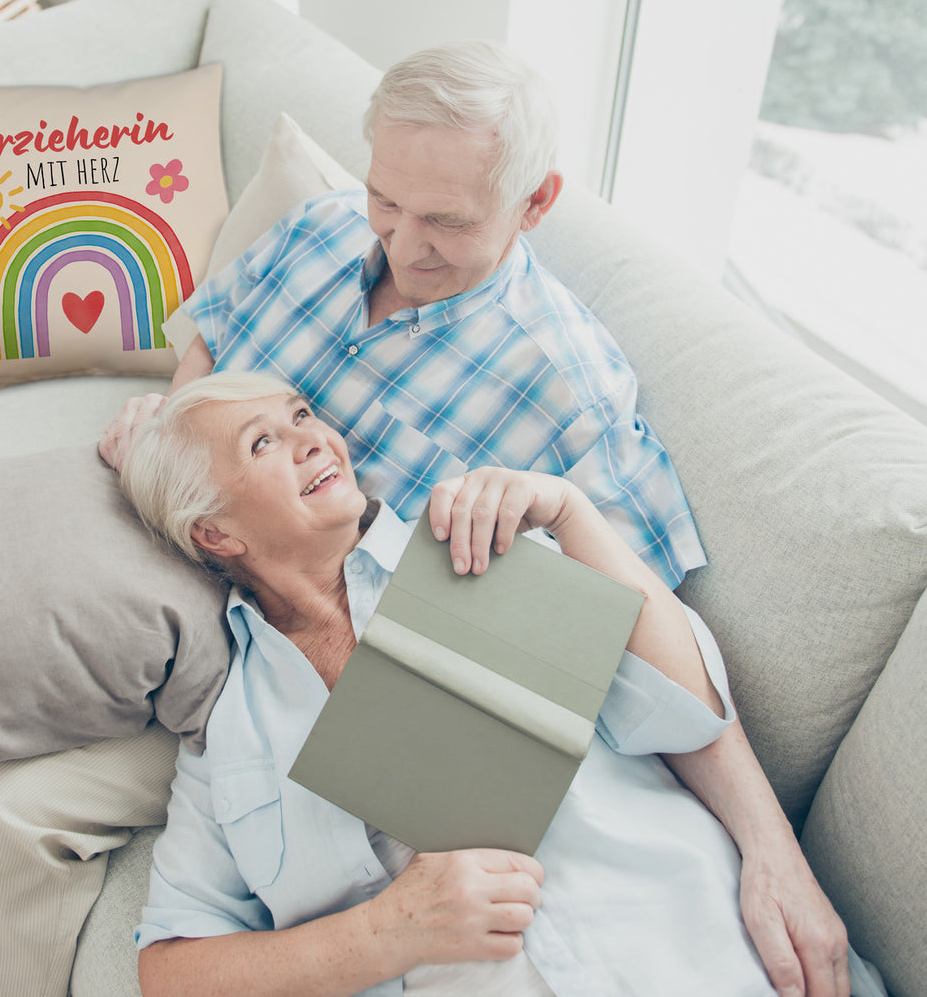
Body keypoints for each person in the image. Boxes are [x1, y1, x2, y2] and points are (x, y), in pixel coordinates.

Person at [102, 42, 849, 996]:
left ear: (535, 203)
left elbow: (657, 669)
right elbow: (213, 332)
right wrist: (175, 434)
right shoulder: (320, 233)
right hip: (206, 617)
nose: (402, 245)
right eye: (387, 201)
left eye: (445, 221)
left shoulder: (544, 443)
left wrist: (771, 852)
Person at [120, 371, 870, 997]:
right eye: (263, 442)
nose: (314, 437)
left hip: (700, 949)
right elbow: (171, 969)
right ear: (215, 533)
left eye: (302, 415)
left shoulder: (474, 544)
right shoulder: (229, 735)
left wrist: (571, 513)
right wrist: (385, 933)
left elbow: (686, 712)